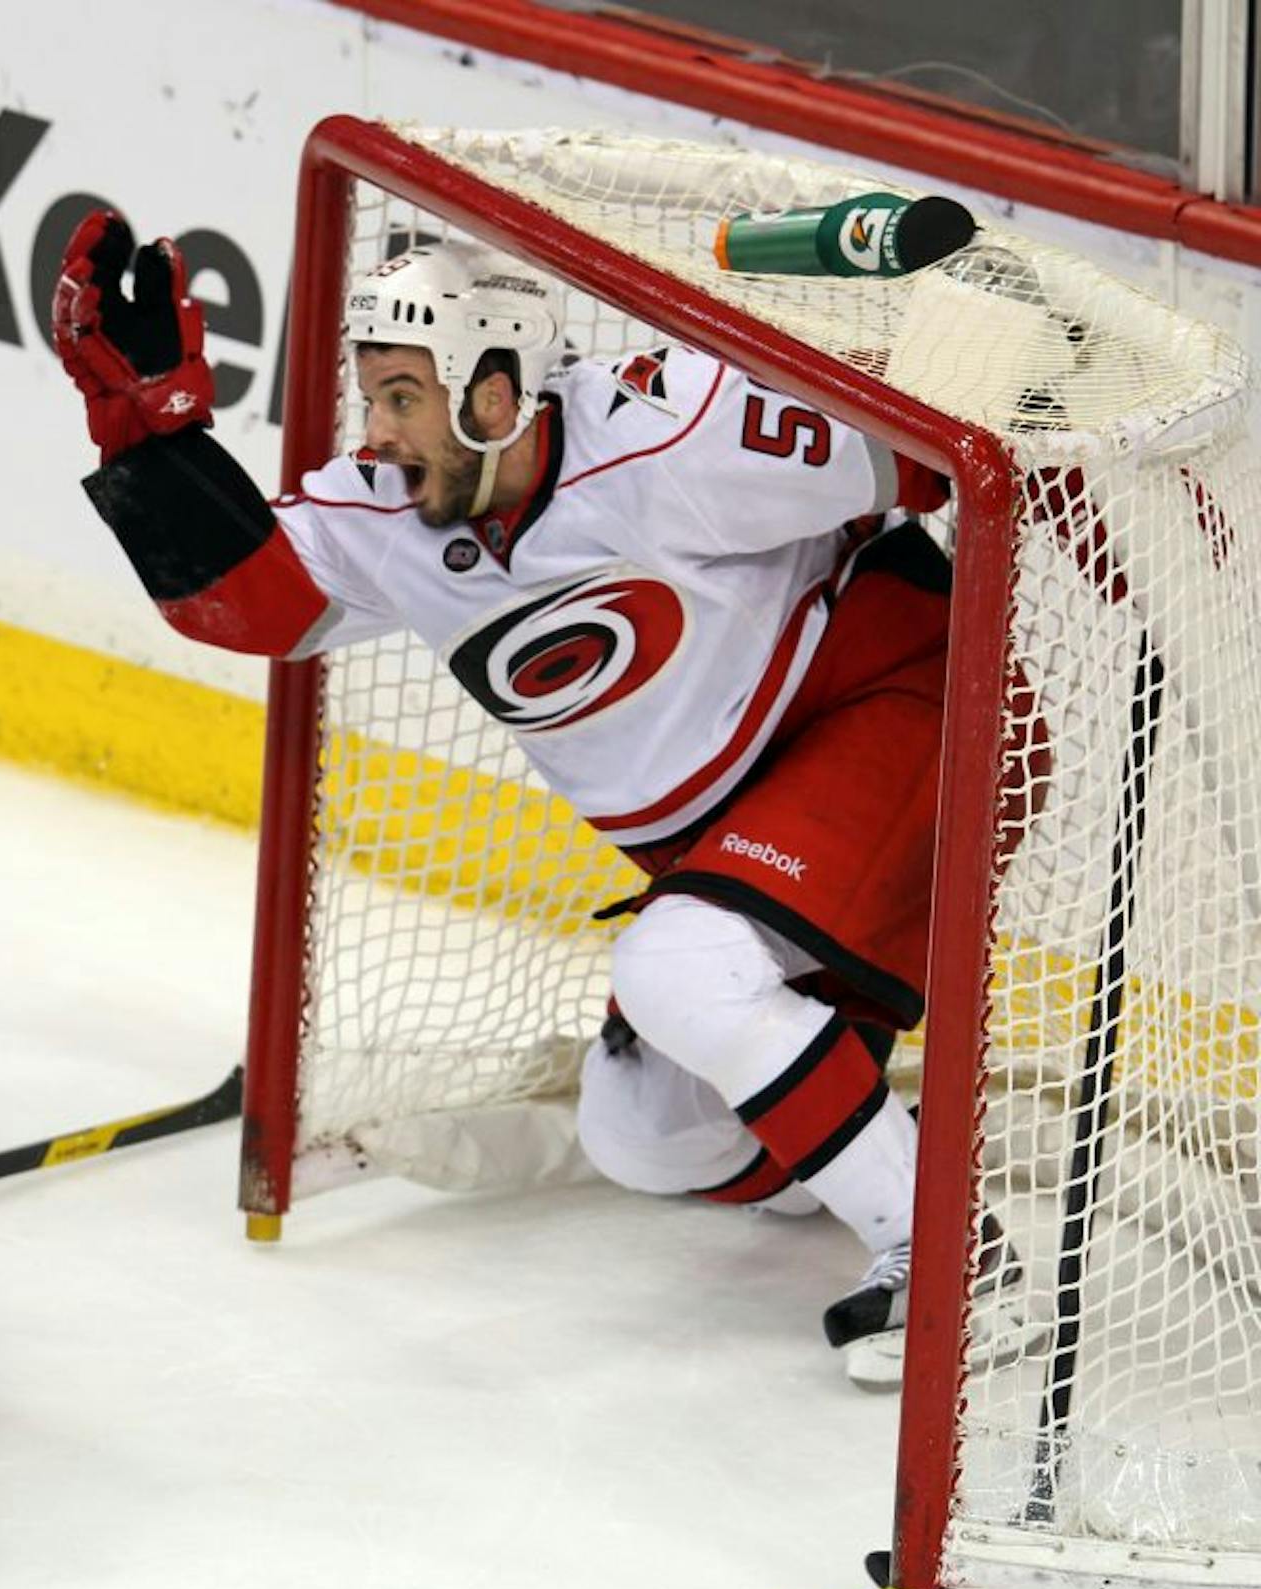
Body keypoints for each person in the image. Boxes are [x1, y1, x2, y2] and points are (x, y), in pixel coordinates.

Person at [52, 212, 1031, 1389]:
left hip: (909, 711)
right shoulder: (390, 512)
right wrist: (147, 427)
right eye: (373, 397)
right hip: (743, 835)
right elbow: (253, 613)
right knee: (645, 1137)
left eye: (405, 396)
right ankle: (849, 1109)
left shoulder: (672, 443)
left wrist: (990, 334)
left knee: (678, 970)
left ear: (498, 390)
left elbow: (937, 453)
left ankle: (954, 1264)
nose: (378, 432)